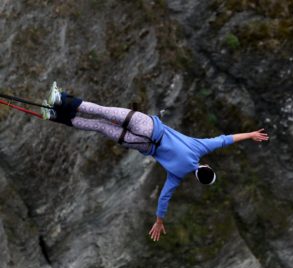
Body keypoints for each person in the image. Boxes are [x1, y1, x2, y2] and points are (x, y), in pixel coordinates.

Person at [42, 82, 269, 242]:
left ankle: (61, 99)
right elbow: (164, 198)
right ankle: (55, 116)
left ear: (207, 167)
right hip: (141, 143)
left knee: (103, 112)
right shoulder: (176, 175)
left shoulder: (201, 148)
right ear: (197, 177)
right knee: (100, 127)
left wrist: (250, 134)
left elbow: (225, 140)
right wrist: (159, 221)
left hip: (148, 126)